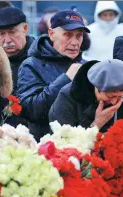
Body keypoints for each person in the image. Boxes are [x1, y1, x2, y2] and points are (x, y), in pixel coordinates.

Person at [17, 10, 89, 139]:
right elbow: (30, 110)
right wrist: (66, 79)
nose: (74, 42)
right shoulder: (31, 65)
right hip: (46, 147)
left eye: (79, 36)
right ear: (51, 34)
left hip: (81, 144)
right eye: (67, 35)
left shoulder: (86, 65)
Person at [49, 59, 123, 132]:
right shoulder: (67, 98)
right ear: (96, 87)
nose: (114, 102)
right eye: (110, 96)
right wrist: (97, 123)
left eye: (120, 96)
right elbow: (63, 142)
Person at [0, 7, 35, 95]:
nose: (7, 40)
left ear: (25, 29)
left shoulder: (41, 56)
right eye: (1, 33)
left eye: (12, 32)